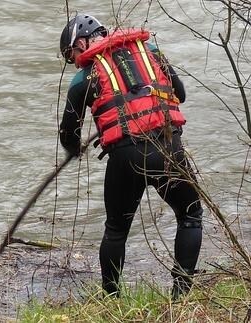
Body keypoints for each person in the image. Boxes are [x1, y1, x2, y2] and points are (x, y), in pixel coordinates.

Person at [58, 14, 203, 299]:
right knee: (190, 216)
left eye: (71, 53)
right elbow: (181, 94)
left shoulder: (83, 78)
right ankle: (181, 294)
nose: (73, 61)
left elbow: (68, 135)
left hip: (126, 158)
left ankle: (111, 299)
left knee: (115, 230)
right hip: (168, 148)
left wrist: (75, 150)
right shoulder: (151, 53)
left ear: (83, 41)